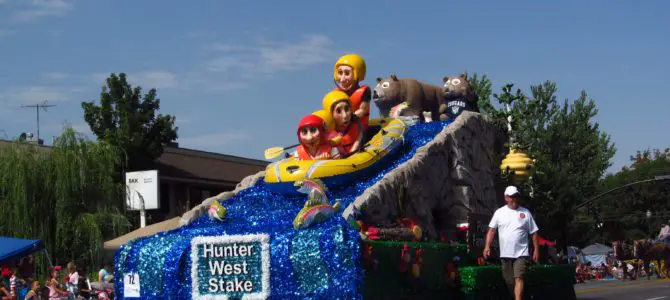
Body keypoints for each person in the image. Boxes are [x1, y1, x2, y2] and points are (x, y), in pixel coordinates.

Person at [483, 186, 539, 300]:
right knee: (509, 280)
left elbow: (534, 232)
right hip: (505, 253)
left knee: (519, 277)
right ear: (506, 198)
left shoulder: (525, 213)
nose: (515, 199)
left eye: (516, 196)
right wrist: (487, 246)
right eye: (512, 197)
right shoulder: (499, 213)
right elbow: (492, 230)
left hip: (521, 253)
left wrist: (536, 249)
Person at [332, 54, 371, 131]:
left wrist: (347, 118)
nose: (342, 79)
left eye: (347, 73)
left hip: (359, 129)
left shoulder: (365, 91)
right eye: (340, 73)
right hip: (340, 130)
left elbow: (363, 110)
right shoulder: (335, 94)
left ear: (358, 74)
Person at [322, 90, 364, 157]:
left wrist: (360, 134)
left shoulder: (357, 125)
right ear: (330, 114)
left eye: (347, 109)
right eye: (338, 111)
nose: (345, 115)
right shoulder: (326, 135)